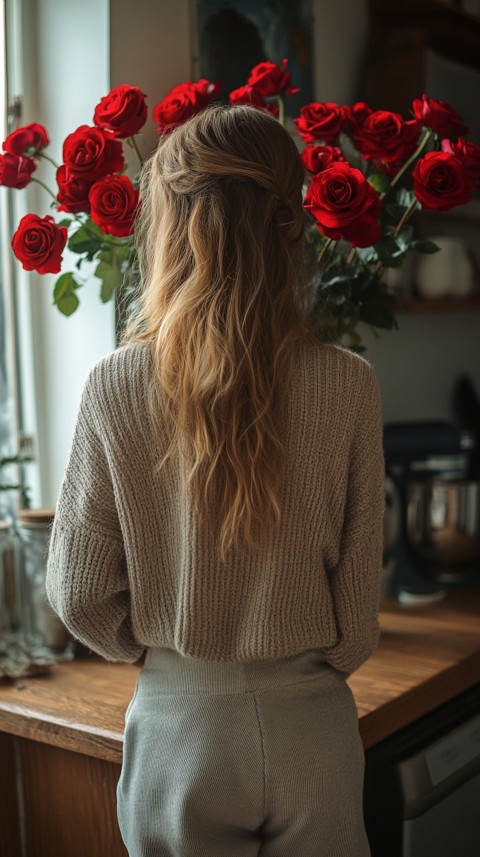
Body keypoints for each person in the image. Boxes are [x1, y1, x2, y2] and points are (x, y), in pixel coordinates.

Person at [46, 104, 384, 857]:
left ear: (168, 227)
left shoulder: (113, 384)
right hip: (313, 731)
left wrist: (164, 653)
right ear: (288, 223)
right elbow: (359, 613)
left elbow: (75, 593)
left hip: (178, 728)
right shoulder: (350, 383)